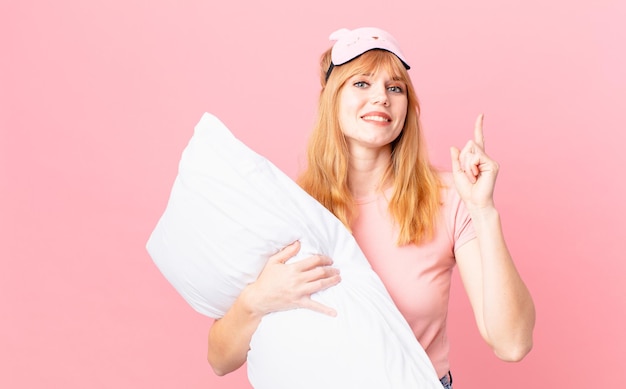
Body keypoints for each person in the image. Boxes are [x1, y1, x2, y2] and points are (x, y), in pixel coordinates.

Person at [207, 27, 535, 388]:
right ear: (332, 98)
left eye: (395, 88)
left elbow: (512, 344)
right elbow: (221, 360)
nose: (381, 96)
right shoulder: (293, 206)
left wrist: (484, 211)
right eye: (362, 83)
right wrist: (256, 300)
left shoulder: (450, 197)